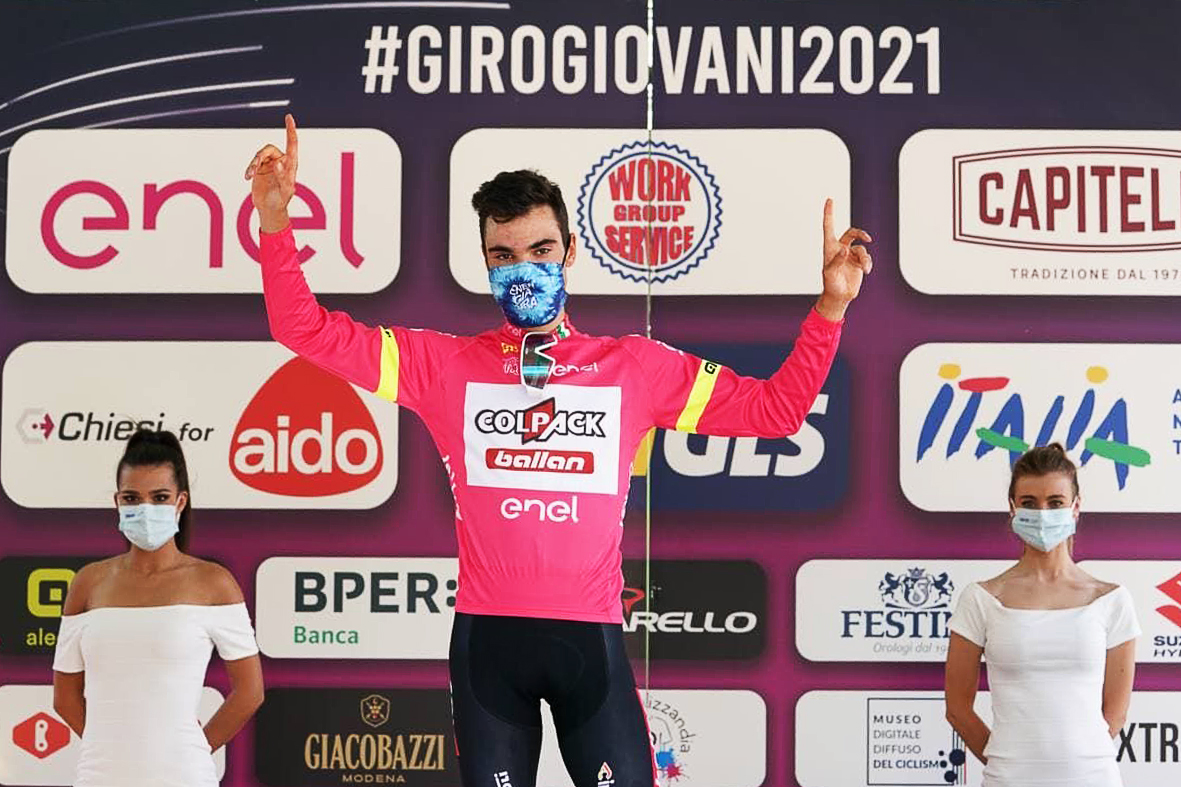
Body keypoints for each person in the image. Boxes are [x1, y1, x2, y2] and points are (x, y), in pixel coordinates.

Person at [244, 114, 871, 787]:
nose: (524, 269)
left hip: (589, 645)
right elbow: (302, 329)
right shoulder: (442, 365)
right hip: (489, 648)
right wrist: (275, 224)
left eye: (541, 250)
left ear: (570, 252)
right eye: (504, 256)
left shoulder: (633, 367)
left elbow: (777, 412)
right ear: (485, 262)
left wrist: (830, 309)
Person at [52, 430, 264, 787]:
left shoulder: (215, 583)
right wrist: (114, 750)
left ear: (180, 502)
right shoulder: (88, 583)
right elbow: (64, 697)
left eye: (160, 497)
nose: (145, 509)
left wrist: (196, 749)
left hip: (185, 777)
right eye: (132, 498)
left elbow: (250, 692)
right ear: (117, 502)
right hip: (99, 776)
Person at [944, 443, 1139, 787]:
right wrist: (1009, 762)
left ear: (1076, 507)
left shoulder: (1112, 600)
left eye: (1055, 502)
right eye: (1030, 503)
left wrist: (1072, 763)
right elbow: (958, 709)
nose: (1043, 513)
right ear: (1012, 508)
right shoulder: (981, 599)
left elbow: (1116, 713)